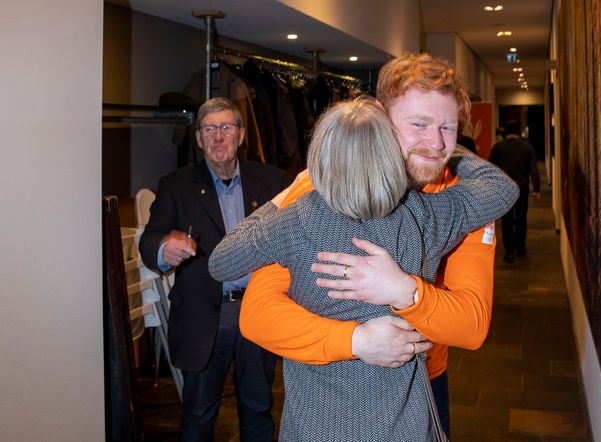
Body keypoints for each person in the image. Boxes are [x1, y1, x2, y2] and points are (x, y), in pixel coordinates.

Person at [209, 97, 518, 441]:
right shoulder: (423, 218)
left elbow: (221, 262)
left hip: (316, 428)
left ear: (322, 157)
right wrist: (442, 145)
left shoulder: (295, 221)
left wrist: (282, 200)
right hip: (404, 428)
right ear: (390, 155)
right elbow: (502, 188)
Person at [138, 97, 290, 441]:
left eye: (226, 128)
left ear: (240, 134)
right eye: (209, 129)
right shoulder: (176, 185)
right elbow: (149, 242)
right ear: (198, 138)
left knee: (258, 408)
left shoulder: (272, 181)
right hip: (205, 317)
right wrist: (164, 248)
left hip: (258, 310)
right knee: (198, 415)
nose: (218, 136)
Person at [488, 120, 541, 263]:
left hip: (504, 188)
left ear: (506, 131)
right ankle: (521, 247)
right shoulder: (526, 147)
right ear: (518, 131)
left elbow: (490, 168)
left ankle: (509, 251)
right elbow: (533, 170)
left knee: (506, 219)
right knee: (521, 217)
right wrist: (536, 189)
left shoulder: (498, 147)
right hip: (521, 187)